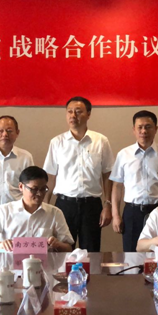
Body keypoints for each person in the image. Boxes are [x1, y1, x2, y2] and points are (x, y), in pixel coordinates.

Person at [43, 97, 114, 252]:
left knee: (91, 251)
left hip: (91, 205)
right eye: (69, 111)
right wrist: (45, 207)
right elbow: (50, 177)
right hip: (64, 206)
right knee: (62, 250)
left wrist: (108, 205)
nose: (73, 115)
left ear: (88, 114)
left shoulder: (101, 141)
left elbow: (107, 174)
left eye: (78, 111)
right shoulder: (57, 142)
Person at [110, 110, 158, 252]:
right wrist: (115, 215)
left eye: (148, 127)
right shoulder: (124, 154)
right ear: (133, 130)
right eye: (139, 127)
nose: (143, 131)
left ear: (156, 129)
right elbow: (117, 186)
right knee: (131, 253)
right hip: (132, 212)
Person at [0, 166, 73, 252]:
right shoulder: (5, 211)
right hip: (11, 264)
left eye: (43, 189)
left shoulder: (55, 213)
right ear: (21, 187)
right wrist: (0, 244)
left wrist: (58, 244)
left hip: (43, 264)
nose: (39, 193)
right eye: (34, 189)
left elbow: (68, 248)